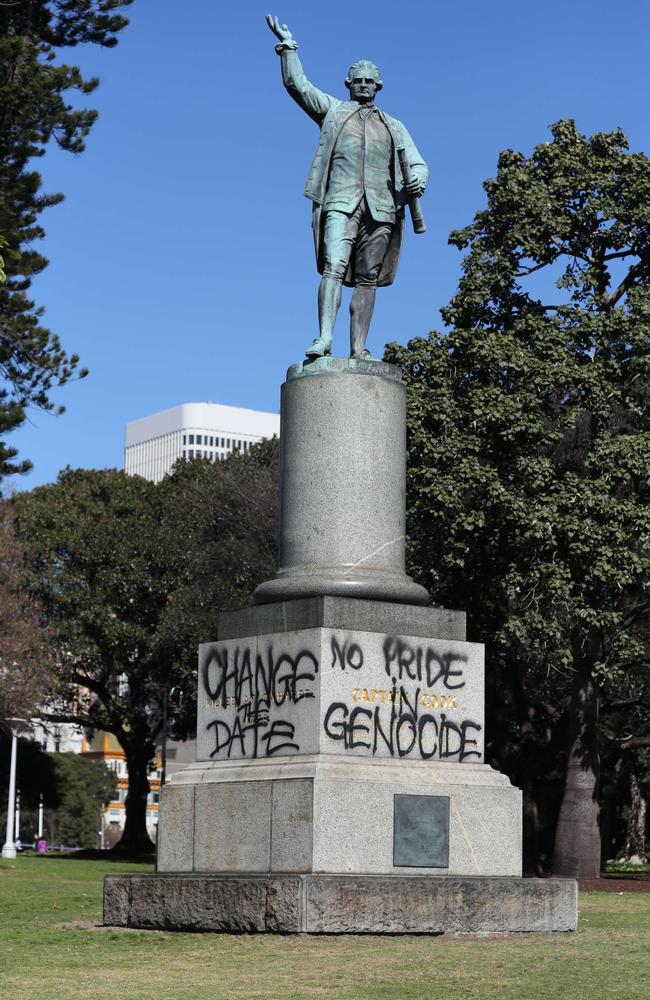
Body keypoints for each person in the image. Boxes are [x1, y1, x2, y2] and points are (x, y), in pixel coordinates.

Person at [266, 15, 428, 360]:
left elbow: (417, 163)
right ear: (348, 84)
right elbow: (299, 86)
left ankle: (358, 348)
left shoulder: (394, 127)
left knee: (368, 279)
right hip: (340, 201)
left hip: (381, 208)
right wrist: (288, 47)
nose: (364, 85)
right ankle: (324, 338)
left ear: (379, 86)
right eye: (358, 80)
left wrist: (418, 179)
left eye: (370, 81)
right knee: (333, 267)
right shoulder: (334, 113)